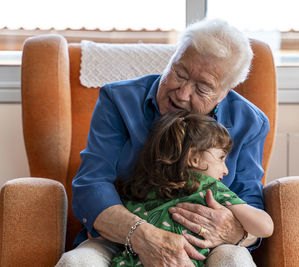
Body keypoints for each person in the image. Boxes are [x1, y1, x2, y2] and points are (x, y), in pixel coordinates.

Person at [57, 18, 271, 266]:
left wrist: (234, 233)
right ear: (172, 58)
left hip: (206, 243)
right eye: (179, 73)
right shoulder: (118, 99)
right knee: (77, 263)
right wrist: (143, 235)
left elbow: (252, 203)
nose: (181, 94)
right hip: (120, 237)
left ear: (225, 91)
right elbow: (91, 183)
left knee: (234, 261)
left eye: (202, 89)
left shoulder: (250, 123)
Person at [110, 110, 273, 267]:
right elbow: (265, 227)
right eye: (221, 158)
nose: (226, 169)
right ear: (194, 158)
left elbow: (109, 229)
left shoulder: (144, 188)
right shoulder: (210, 188)